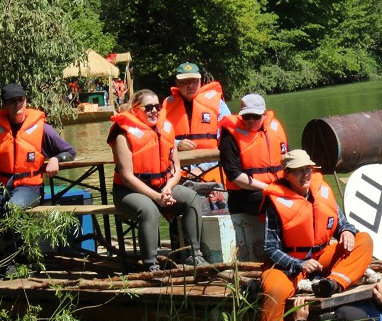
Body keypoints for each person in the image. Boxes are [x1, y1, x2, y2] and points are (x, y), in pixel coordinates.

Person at [258, 149, 373, 321]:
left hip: (321, 259)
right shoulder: (276, 204)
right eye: (299, 171)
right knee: (274, 289)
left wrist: (347, 231)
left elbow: (342, 223)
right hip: (288, 267)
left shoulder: (322, 191)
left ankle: (333, 284)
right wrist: (298, 264)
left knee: (363, 239)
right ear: (287, 174)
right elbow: (270, 249)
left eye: (308, 169)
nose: (306, 175)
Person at [0, 83, 76, 274]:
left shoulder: (42, 129)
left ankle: (21, 260)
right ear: (5, 105)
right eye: (12, 101)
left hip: (30, 188)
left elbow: (70, 151)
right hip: (1, 187)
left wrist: (55, 158)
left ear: (26, 101)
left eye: (20, 99)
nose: (17, 104)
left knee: (14, 207)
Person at [107, 90, 206, 272]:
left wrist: (168, 187)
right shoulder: (123, 135)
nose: (154, 111)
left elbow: (176, 167)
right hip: (129, 192)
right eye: (148, 107)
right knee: (149, 209)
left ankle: (194, 255)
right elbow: (127, 177)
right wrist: (156, 196)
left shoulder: (166, 128)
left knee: (192, 198)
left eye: (157, 107)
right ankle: (151, 264)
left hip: (162, 187)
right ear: (136, 110)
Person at [161, 61, 230, 211]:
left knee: (219, 202)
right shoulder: (167, 106)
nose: (190, 85)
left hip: (213, 169)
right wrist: (177, 143)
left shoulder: (219, 105)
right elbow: (159, 138)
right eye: (184, 82)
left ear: (200, 81)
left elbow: (228, 142)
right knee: (181, 204)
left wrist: (202, 167)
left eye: (193, 81)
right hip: (180, 174)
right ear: (177, 83)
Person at [218, 93, 288, 216]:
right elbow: (235, 176)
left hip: (275, 188)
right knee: (276, 205)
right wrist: (268, 188)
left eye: (255, 116)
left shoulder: (275, 130)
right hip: (244, 195)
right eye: (246, 116)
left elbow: (289, 161)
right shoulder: (230, 138)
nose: (251, 120)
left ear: (264, 115)